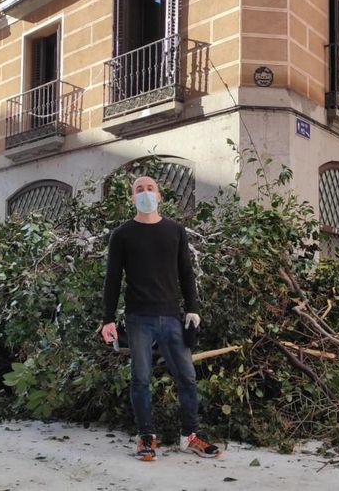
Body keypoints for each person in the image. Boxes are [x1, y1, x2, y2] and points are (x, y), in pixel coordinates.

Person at [101, 176, 222, 462]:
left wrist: (193, 308)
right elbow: (113, 279)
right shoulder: (122, 234)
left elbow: (186, 273)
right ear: (132, 199)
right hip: (138, 317)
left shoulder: (175, 231)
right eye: (139, 190)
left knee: (187, 378)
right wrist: (107, 318)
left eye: (150, 188)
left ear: (160, 196)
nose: (145, 193)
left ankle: (189, 436)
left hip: (171, 316)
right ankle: (146, 437)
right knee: (140, 379)